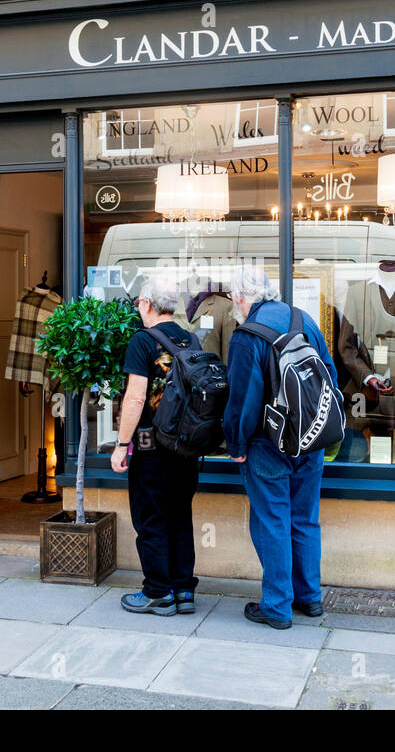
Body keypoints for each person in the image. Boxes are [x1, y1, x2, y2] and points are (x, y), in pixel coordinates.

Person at [222, 264, 338, 630]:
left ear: (241, 296)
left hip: (268, 445)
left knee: (271, 521)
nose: (232, 304)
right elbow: (329, 374)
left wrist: (236, 444)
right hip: (311, 438)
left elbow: (242, 401)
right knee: (304, 519)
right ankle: (310, 598)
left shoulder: (247, 335)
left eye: (231, 297)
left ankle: (276, 606)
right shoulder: (301, 319)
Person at [110, 276, 201, 616]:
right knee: (180, 516)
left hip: (151, 448)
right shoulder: (191, 338)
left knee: (151, 518)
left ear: (147, 304)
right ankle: (182, 591)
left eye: (138, 303)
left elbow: (135, 399)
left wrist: (121, 444)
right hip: (186, 447)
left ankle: (157, 592)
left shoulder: (143, 341)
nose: (137, 308)